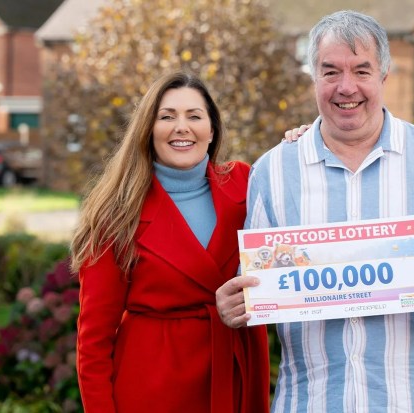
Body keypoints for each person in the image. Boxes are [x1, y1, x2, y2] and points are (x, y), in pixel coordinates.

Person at [216, 10, 414, 413]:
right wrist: (236, 301)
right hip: (310, 402)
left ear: (384, 78)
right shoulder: (273, 170)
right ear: (313, 79)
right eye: (330, 72)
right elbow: (256, 281)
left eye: (362, 71)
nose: (346, 87)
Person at [71, 71, 274, 413]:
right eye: (167, 117)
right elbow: (93, 342)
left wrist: (304, 141)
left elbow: (303, 221)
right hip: (153, 385)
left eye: (194, 116)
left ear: (212, 130)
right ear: (148, 130)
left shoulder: (245, 182)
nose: (182, 127)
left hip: (235, 370)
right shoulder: (116, 213)